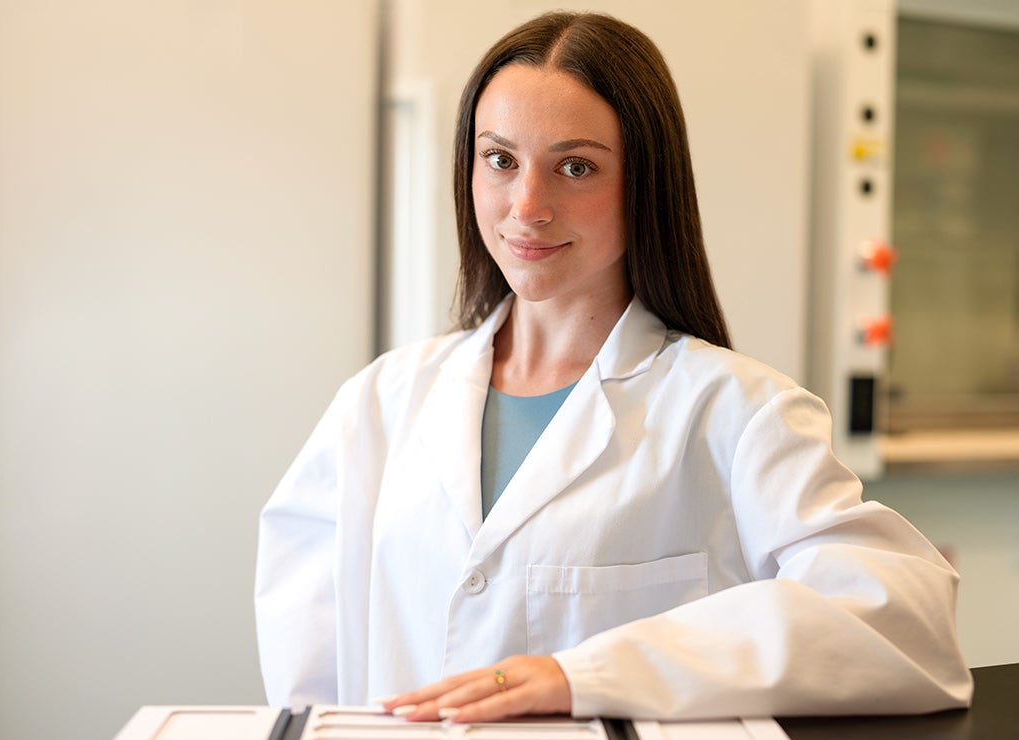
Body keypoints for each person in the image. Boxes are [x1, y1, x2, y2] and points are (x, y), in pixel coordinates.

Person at [255, 11, 972, 723]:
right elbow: (308, 672)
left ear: (645, 185)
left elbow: (903, 621)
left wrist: (582, 675)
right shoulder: (381, 402)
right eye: (500, 160)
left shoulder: (737, 414)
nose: (527, 206)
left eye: (576, 167)